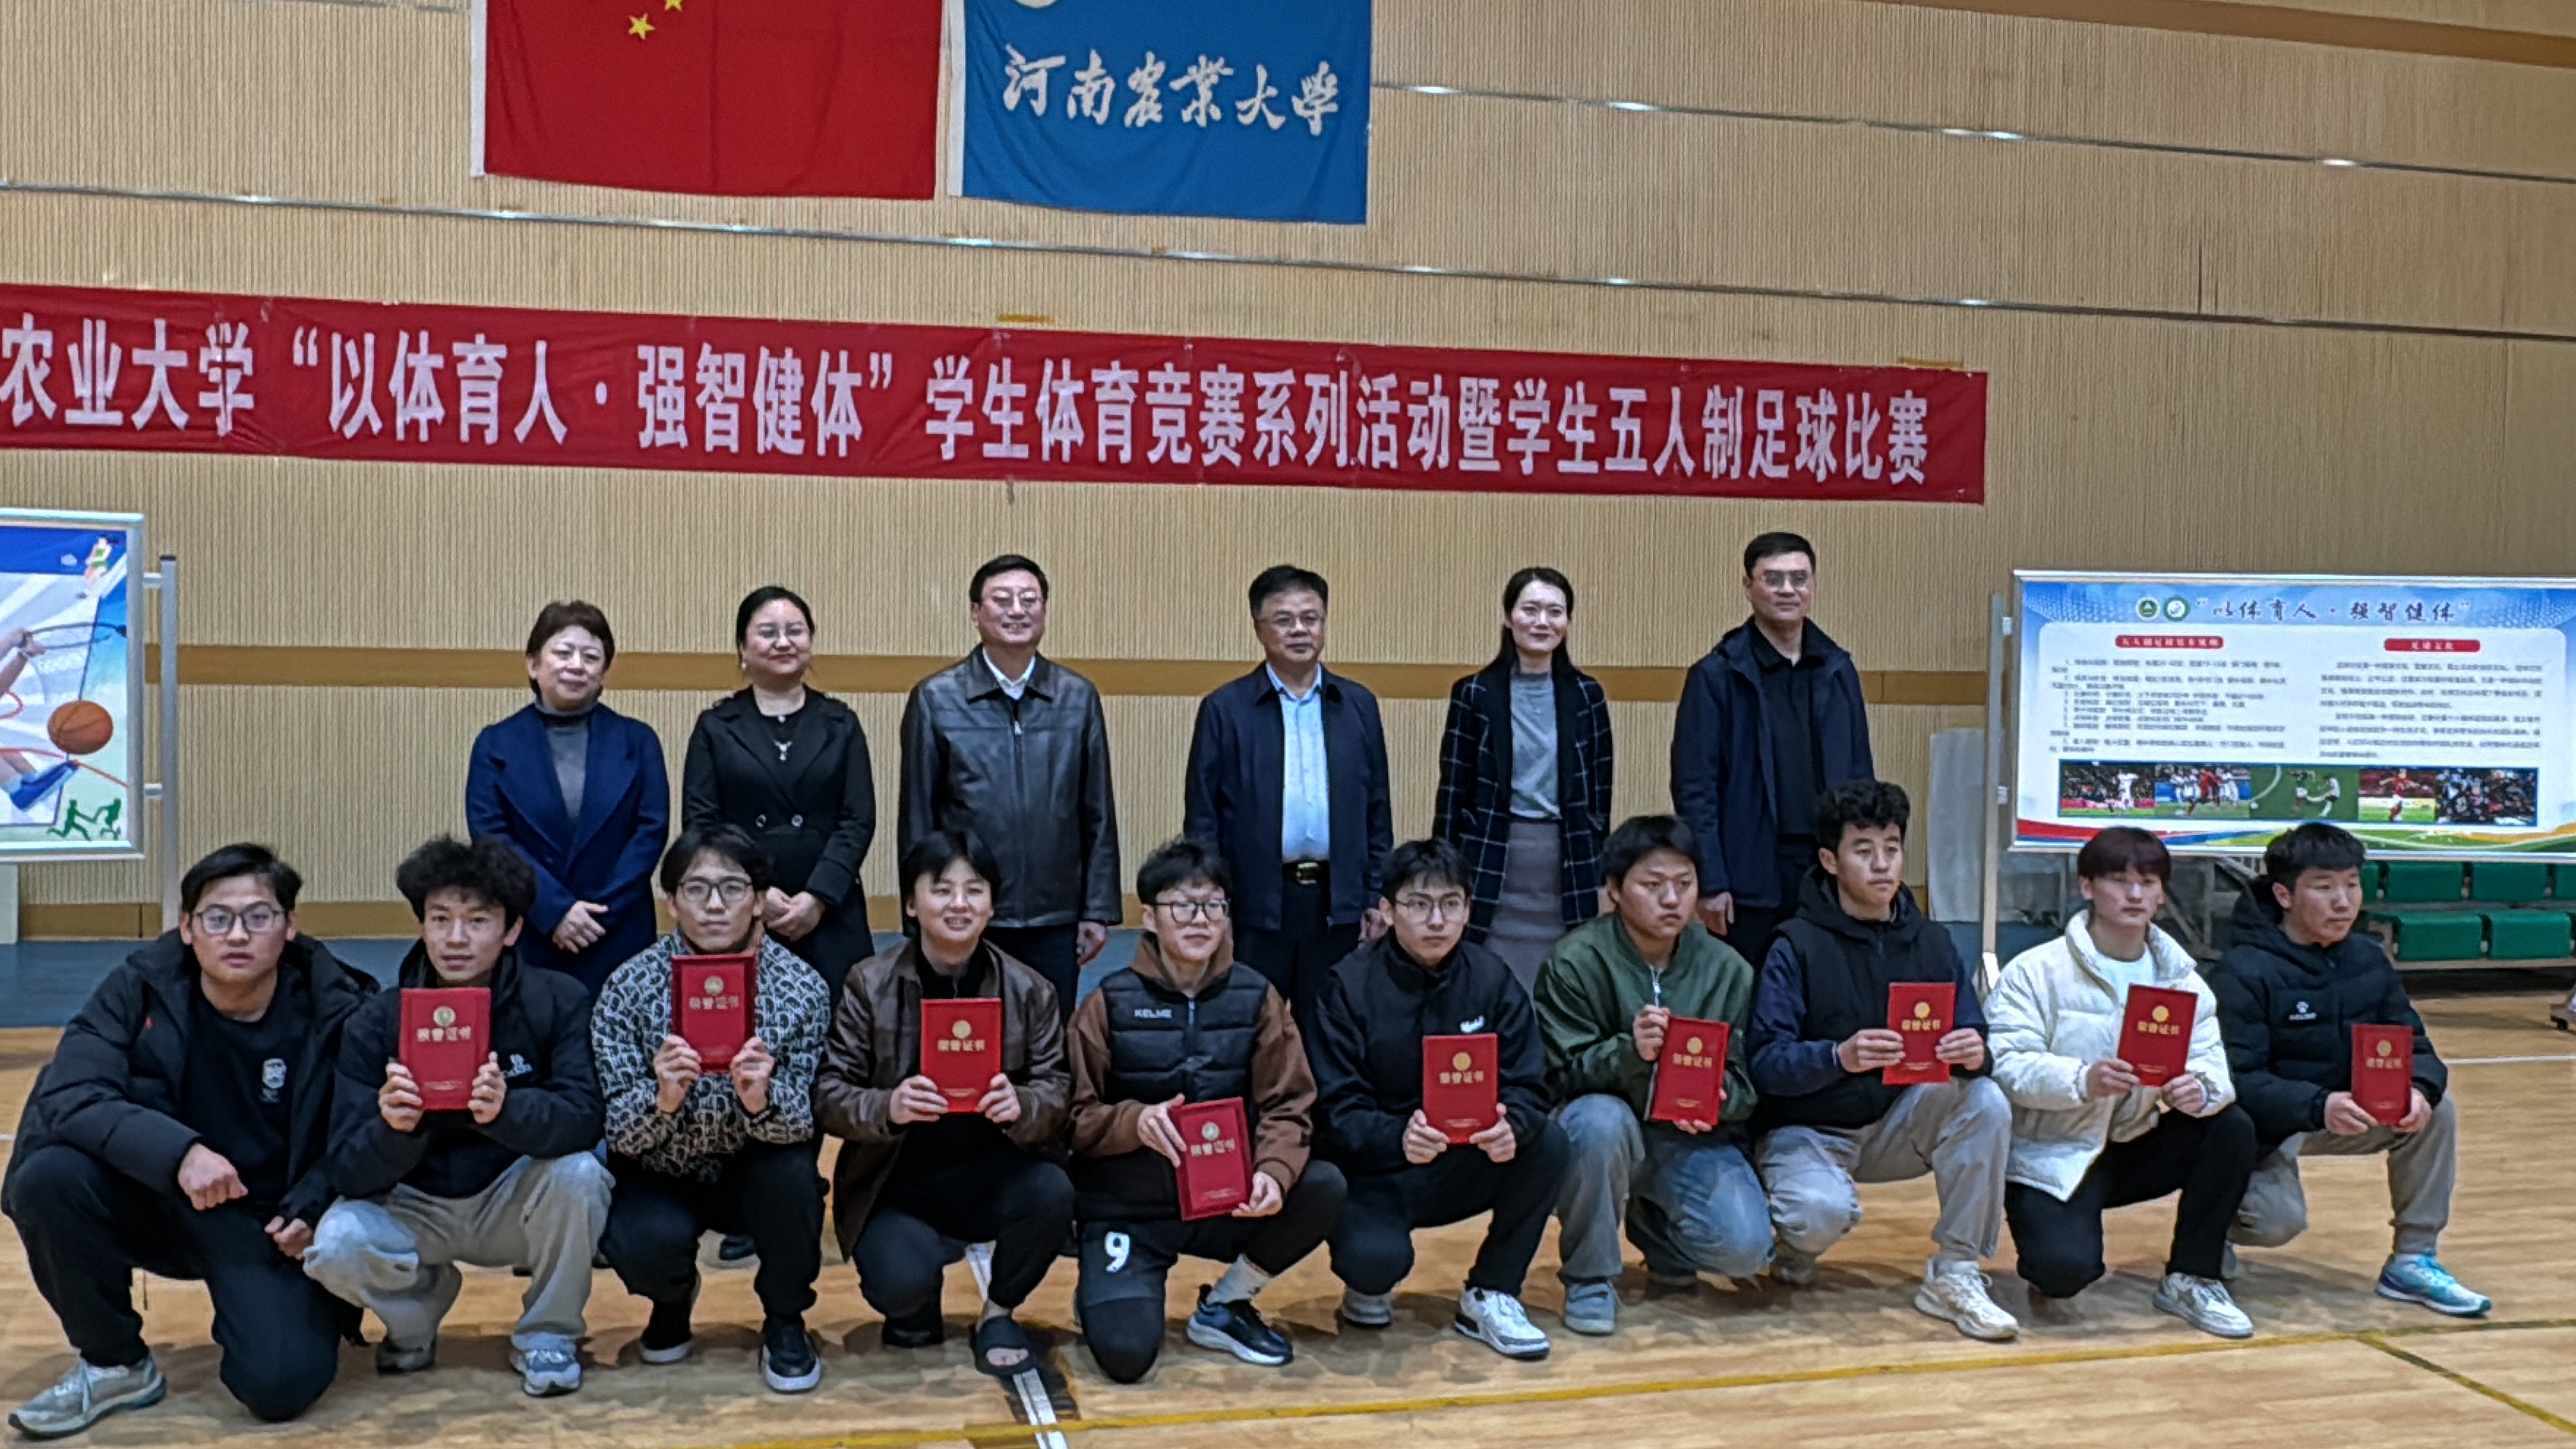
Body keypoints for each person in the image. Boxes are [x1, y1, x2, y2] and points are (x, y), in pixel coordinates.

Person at [4, 846, 372, 1437]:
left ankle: (282, 1310)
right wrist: (179, 1153)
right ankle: (115, 1362)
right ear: (187, 927)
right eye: (217, 918)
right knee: (49, 1179)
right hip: (160, 1196)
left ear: (290, 926)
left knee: (280, 1384)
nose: (237, 935)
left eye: (258, 916)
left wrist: (314, 1206)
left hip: (269, 1224)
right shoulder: (139, 987)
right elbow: (71, 1092)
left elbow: (366, 1127)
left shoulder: (341, 1006)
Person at [304, 836, 612, 1398]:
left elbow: (584, 1119)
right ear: (422, 925)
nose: (455, 938)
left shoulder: (557, 999)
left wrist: (506, 1110)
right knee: (335, 1246)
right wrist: (394, 1128)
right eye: (440, 918)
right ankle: (415, 1319)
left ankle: (548, 1333)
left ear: (512, 930)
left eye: (477, 920)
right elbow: (345, 1167)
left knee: (580, 1175)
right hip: (416, 1204)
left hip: (511, 1200)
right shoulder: (378, 1019)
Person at [1066, 838, 1349, 1382]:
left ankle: (1226, 1304)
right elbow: (1073, 1117)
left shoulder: (1259, 997)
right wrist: (1133, 1122)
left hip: (1226, 1203)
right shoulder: (1107, 1002)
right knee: (1126, 1356)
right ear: (1150, 917)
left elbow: (1289, 1104)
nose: (1199, 919)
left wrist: (1273, 1171)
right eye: (1182, 906)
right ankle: (1103, 1288)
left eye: (1213, 905)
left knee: (1322, 1185)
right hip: (1130, 1210)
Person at [1747, 780, 2017, 1341]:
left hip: (1900, 1121)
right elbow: (1766, 1063)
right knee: (1815, 1214)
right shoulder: (1794, 944)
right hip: (1812, 1128)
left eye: (1891, 848)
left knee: (1986, 1099)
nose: (1881, 864)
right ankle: (1796, 1243)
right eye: (1863, 849)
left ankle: (1956, 1270)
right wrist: (1837, 1056)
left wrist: (1975, 1051)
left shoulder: (1933, 941)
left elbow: (1972, 1030)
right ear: (1830, 860)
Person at [812, 830, 1075, 1378]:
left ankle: (999, 1311)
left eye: (974, 890)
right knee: (901, 1292)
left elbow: (1057, 1091)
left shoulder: (1030, 989)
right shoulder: (869, 984)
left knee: (1053, 1191)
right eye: (941, 889)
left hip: (993, 1172)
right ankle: (918, 1293)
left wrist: (1022, 1103)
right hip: (898, 1182)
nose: (959, 904)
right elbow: (830, 1093)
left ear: (992, 905)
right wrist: (888, 1105)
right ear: (911, 903)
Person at [2208, 823, 2489, 1316]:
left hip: (2342, 1112)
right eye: (2324, 887)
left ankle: (2413, 1259)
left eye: (2352, 884)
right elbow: (2239, 1080)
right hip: (2264, 1126)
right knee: (2276, 1222)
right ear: (2284, 895)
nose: (2343, 902)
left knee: (2437, 1112)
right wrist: (2320, 1105)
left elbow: (2415, 1044)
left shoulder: (2367, 959)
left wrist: (2419, 1089)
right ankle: (2206, 1225)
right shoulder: (2242, 970)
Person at [1987, 827, 2257, 1338]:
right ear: (2087, 887)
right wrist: (2082, 1079)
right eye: (2119, 880)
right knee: (2062, 1274)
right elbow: (2006, 1063)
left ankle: (2193, 1276)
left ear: (2161, 894)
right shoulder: (2035, 971)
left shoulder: (2181, 979)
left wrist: (2199, 1090)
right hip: (2054, 1154)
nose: (2134, 894)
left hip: (2135, 1142)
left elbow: (2213, 1065)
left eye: (2148, 882)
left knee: (2230, 1126)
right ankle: (2044, 1226)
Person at [591, 825, 834, 1393]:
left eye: (733, 887)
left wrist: (760, 1101)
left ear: (760, 899)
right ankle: (671, 1299)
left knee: (794, 1180)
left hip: (757, 1162)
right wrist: (662, 1100)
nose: (716, 904)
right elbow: (619, 1132)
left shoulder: (803, 988)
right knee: (637, 1235)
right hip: (664, 1166)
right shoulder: (628, 987)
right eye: (696, 889)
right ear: (672, 902)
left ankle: (785, 1319)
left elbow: (804, 1121)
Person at [1308, 839, 1570, 1361]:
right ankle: (1368, 1280)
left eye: (1451, 904)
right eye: (1419, 904)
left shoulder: (1492, 978)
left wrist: (1512, 1124)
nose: (1436, 920)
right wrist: (1397, 1137)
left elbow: (1528, 1081)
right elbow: (1335, 1109)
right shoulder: (1347, 986)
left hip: (1463, 1161)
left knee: (1549, 1143)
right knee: (1374, 1262)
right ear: (1387, 911)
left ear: (1468, 910)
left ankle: (1492, 1290)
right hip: (1377, 1171)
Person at [1533, 816, 1767, 1336]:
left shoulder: (1727, 968)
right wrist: (1630, 1052)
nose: (1671, 900)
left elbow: (1752, 1075)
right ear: (1614, 890)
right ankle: (1590, 1277)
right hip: (1604, 1131)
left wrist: (1723, 1098)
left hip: (1688, 1137)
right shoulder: (1575, 961)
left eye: (1684, 884)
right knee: (1598, 1122)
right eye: (1652, 885)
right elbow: (1558, 1074)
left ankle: (1656, 1231)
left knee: (1746, 1250)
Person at [898, 555, 1117, 1017]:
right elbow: (918, 816)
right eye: (1002, 599)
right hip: (964, 909)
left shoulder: (1077, 697)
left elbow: (1097, 811)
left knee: (1047, 1034)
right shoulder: (936, 698)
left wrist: (1097, 909)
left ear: (1044, 610)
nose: (1017, 610)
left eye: (1029, 600)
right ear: (976, 612)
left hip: (1056, 912)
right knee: (964, 1034)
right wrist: (919, 912)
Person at [1186, 565, 1394, 1030]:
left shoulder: (1358, 705)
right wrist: (1213, 906)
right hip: (1256, 905)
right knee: (1249, 1031)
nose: (1299, 630)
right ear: (1259, 628)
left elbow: (1377, 812)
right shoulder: (1225, 708)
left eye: (1310, 618)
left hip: (1338, 906)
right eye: (1284, 620)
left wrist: (1376, 896)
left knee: (1333, 1032)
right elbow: (1203, 821)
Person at [1670, 532, 1874, 964]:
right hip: (1749, 874)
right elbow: (1695, 788)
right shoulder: (1717, 675)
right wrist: (1711, 880)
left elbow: (1861, 777)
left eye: (1799, 579)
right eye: (1773, 579)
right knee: (1752, 989)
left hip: (1828, 870)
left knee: (1824, 987)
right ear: (1749, 586)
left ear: (1813, 585)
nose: (1788, 590)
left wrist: (1862, 862)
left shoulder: (1837, 669)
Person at [683, 585, 879, 997]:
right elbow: (702, 824)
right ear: (743, 647)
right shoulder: (716, 727)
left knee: (842, 1020)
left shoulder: (840, 723)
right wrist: (756, 892)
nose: (784, 642)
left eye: (795, 631)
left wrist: (819, 896)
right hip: (743, 906)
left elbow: (857, 820)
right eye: (768, 632)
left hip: (830, 906)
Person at [466, 600, 671, 994]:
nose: (576, 666)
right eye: (563, 653)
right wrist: (555, 910)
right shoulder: (495, 744)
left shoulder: (637, 740)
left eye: (591, 657)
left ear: (603, 671)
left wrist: (596, 917)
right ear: (533, 664)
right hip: (532, 929)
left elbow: (650, 831)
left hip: (618, 929)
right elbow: (491, 837)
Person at [1434, 567, 1617, 988]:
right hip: (1492, 855)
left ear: (1567, 621)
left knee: (1566, 972)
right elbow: (1453, 789)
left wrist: (1600, 868)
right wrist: (1444, 867)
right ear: (1507, 617)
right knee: (1486, 974)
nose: (1542, 622)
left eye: (1555, 612)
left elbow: (1600, 792)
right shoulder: (1475, 692)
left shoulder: (1587, 695)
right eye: (1530, 610)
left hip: (1565, 858)